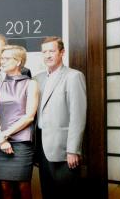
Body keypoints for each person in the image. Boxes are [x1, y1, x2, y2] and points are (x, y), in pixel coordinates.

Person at [35, 36, 87, 199]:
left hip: (64, 150)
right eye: (44, 52)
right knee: (48, 193)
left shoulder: (73, 76)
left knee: (66, 194)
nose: (48, 55)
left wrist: (73, 150)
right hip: (43, 149)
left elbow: (77, 116)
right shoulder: (38, 78)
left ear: (62, 52)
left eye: (52, 51)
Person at [0, 45, 39, 199]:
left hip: (22, 143)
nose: (2, 62)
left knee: (23, 187)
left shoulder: (31, 84)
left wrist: (5, 134)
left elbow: (29, 116)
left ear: (18, 61)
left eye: (6, 59)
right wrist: (1, 140)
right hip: (2, 143)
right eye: (2, 58)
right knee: (5, 186)